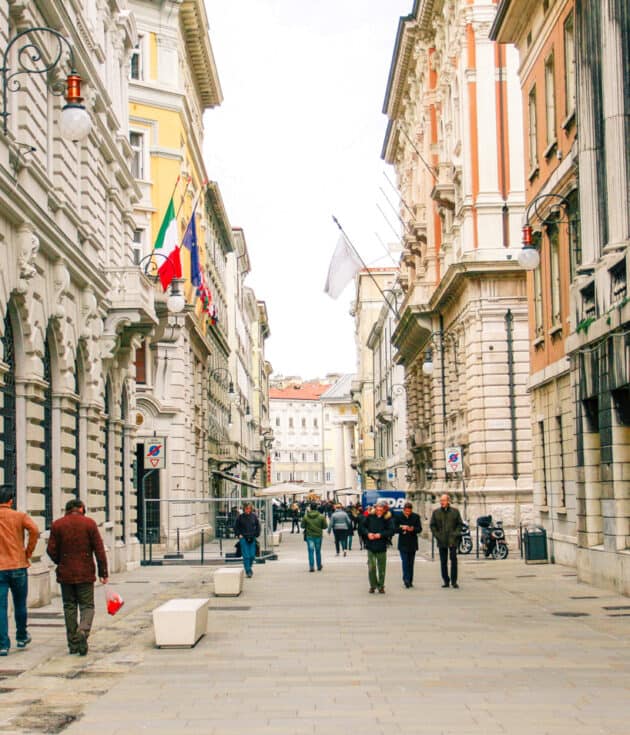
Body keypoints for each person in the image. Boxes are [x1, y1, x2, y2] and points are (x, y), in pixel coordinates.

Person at [46, 499, 108, 656]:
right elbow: (99, 550)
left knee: (69, 606)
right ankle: (83, 630)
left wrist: (60, 561)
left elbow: (50, 549)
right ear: (81, 508)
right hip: (85, 573)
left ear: (67, 509)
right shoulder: (89, 524)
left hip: (65, 572)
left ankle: (73, 644)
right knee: (87, 606)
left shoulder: (57, 524)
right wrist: (103, 572)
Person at [0, 486, 40, 656]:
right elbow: (35, 530)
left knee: (1, 608)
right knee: (20, 604)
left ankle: (3, 644)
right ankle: (22, 636)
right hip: (18, 565)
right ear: (11, 500)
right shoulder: (19, 516)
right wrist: (28, 553)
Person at [359, 501, 394, 594]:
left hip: (382, 545)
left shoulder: (387, 519)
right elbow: (362, 527)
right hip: (370, 545)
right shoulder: (370, 517)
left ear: (384, 510)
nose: (378, 512)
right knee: (372, 567)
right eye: (377, 510)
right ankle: (372, 585)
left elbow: (391, 531)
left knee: (381, 568)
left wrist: (381, 535)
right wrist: (368, 533)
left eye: (381, 510)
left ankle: (381, 585)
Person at [430, 494, 463, 588]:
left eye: (443, 500)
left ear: (448, 501)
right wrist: (437, 535)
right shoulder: (436, 512)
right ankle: (446, 580)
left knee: (453, 560)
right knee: (443, 561)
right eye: (441, 501)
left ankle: (454, 581)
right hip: (442, 539)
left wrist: (456, 534)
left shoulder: (455, 512)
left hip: (452, 539)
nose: (442, 502)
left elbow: (459, 524)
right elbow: (432, 525)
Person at [395, 502, 422, 588]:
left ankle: (410, 580)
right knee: (405, 562)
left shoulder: (416, 517)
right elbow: (394, 529)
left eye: (409, 511)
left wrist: (412, 529)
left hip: (412, 543)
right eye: (406, 511)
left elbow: (419, 529)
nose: (408, 513)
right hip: (403, 543)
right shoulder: (399, 517)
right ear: (404, 510)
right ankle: (406, 579)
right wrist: (402, 528)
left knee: (411, 563)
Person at [233, 502, 260, 578]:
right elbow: (235, 527)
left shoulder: (254, 516)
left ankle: (249, 567)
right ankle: (248, 570)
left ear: (251, 509)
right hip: (243, 538)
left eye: (249, 508)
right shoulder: (240, 517)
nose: (248, 510)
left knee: (252, 555)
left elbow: (258, 526)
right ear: (244, 509)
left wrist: (257, 534)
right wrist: (239, 534)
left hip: (252, 537)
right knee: (246, 556)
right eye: (246, 509)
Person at [301, 502, 327, 572]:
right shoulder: (321, 516)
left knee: (310, 551)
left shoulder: (306, 516)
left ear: (310, 508)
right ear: (316, 508)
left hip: (309, 536)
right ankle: (319, 566)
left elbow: (302, 526)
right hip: (318, 536)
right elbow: (325, 526)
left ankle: (311, 566)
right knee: (318, 551)